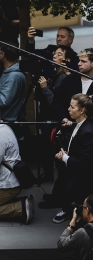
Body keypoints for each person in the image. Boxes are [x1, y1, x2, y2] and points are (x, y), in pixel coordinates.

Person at [36, 45, 75, 200]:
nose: (54, 56)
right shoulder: (56, 74)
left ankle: (60, 197)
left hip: (62, 123)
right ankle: (57, 195)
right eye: (54, 53)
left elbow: (56, 102)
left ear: (67, 60)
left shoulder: (65, 78)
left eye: (59, 54)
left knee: (61, 163)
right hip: (55, 120)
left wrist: (45, 88)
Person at [53, 94, 93, 224]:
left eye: (72, 106)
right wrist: (65, 155)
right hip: (74, 177)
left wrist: (65, 157)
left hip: (82, 180)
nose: (68, 109)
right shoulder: (78, 125)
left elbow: (84, 162)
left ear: (82, 111)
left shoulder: (87, 131)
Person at [52, 48, 93, 122]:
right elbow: (56, 100)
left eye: (83, 61)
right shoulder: (71, 79)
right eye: (79, 60)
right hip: (71, 125)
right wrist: (63, 118)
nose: (79, 64)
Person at [57, 194, 93, 260]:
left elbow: (61, 244)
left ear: (87, 210)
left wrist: (72, 222)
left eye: (83, 207)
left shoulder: (83, 233)